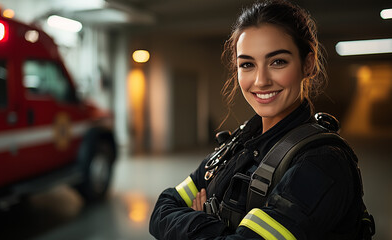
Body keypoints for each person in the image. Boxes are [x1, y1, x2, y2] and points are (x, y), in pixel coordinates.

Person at [149, 0, 373, 239]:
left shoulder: (322, 162)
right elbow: (162, 209)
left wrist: (199, 222)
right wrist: (213, 230)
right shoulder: (240, 143)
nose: (260, 80)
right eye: (247, 64)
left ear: (307, 64)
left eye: (278, 62)